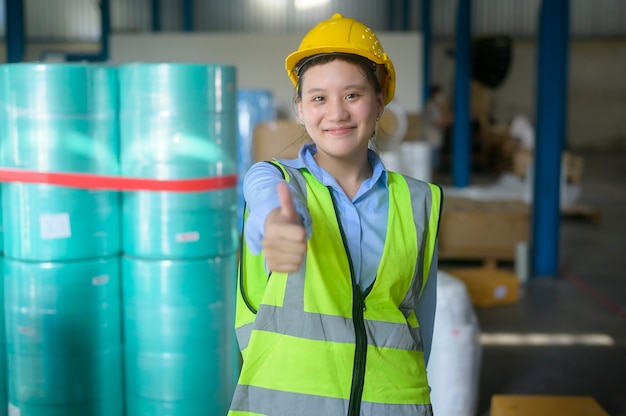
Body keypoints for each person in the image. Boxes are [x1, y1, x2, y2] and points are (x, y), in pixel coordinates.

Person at [229, 13, 443, 416]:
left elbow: (421, 328)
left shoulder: (420, 202)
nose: (337, 113)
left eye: (352, 95)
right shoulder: (275, 179)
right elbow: (270, 207)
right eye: (318, 97)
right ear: (300, 109)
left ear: (379, 102)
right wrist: (278, 226)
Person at [423, 84, 453, 172]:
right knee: (432, 164)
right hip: (432, 138)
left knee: (434, 162)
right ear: (434, 94)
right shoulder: (432, 107)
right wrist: (451, 118)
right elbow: (439, 122)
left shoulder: (435, 106)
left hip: (434, 138)